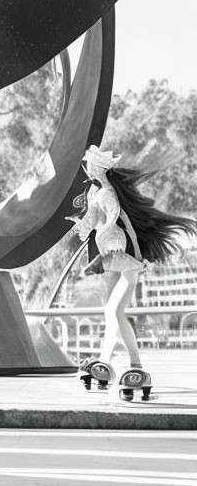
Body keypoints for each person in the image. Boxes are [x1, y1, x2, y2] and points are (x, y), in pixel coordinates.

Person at [66, 144, 197, 389]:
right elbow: (92, 222)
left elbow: (114, 217)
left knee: (116, 312)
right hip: (116, 257)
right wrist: (80, 225)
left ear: (101, 169)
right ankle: (105, 361)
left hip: (124, 260)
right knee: (110, 312)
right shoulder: (96, 193)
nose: (89, 168)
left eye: (92, 165)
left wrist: (103, 234)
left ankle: (136, 364)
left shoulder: (107, 193)